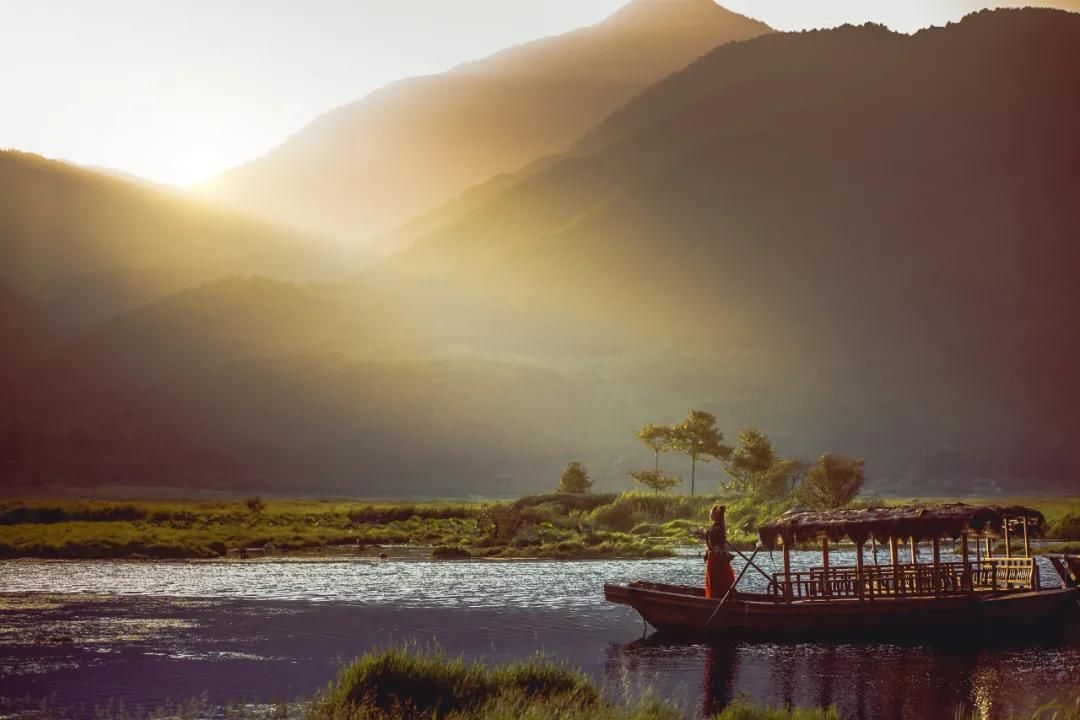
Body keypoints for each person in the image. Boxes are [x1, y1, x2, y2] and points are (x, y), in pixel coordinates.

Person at [705, 505, 736, 599]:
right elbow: (716, 543)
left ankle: (715, 600)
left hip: (715, 559)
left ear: (713, 515)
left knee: (716, 581)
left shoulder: (714, 529)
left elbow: (713, 545)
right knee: (723, 580)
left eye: (711, 512)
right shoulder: (721, 527)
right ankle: (724, 598)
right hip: (720, 558)